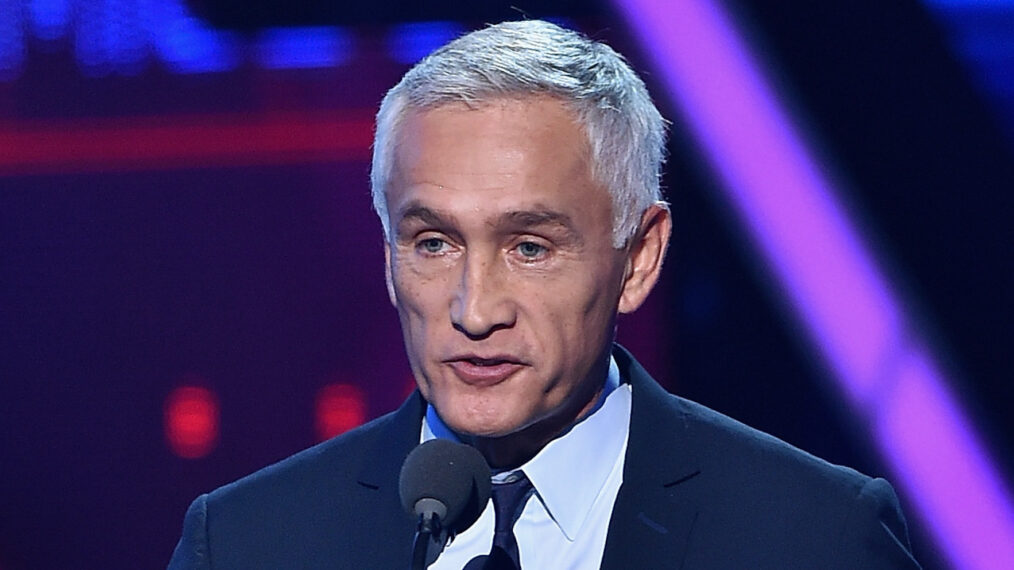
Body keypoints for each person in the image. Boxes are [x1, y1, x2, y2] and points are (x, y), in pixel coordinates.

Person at [169, 20, 921, 569]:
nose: (474, 309)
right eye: (434, 243)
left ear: (639, 258)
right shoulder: (245, 543)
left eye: (529, 247)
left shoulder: (814, 538)